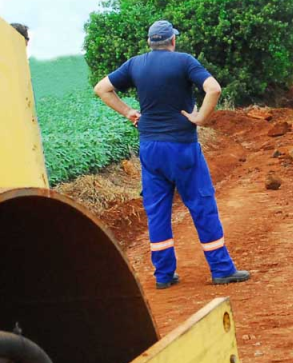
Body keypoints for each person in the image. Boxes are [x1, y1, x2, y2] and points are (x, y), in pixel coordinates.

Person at [94, 20, 250, 289]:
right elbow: (213, 88)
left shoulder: (135, 64)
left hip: (150, 148)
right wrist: (200, 117)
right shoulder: (184, 61)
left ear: (149, 42)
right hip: (181, 146)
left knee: (157, 211)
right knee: (201, 204)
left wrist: (129, 112)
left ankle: (164, 276)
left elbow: (102, 88)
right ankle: (221, 269)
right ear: (173, 41)